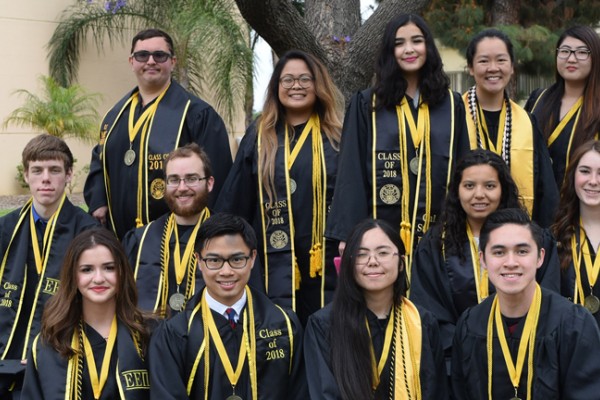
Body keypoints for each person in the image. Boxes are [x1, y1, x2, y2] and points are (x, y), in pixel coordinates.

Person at [325, 14, 469, 275]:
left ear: (429, 47)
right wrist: (349, 234)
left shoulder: (451, 104)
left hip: (440, 231)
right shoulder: (367, 104)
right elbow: (351, 171)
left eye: (417, 41)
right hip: (380, 234)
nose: (409, 49)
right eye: (399, 43)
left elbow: (464, 168)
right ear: (390, 51)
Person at [215, 49, 343, 324]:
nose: (296, 86)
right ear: (276, 87)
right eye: (288, 80)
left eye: (305, 79)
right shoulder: (259, 136)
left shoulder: (336, 137)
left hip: (323, 262)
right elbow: (236, 200)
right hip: (269, 264)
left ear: (318, 85)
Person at [410, 149, 560, 375]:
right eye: (469, 186)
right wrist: (469, 345)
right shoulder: (434, 245)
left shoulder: (533, 240)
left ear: (503, 190)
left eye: (490, 186)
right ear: (457, 191)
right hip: (459, 364)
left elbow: (548, 300)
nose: (479, 194)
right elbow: (430, 313)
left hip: (527, 357)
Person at [84, 28, 232, 239]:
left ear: (172, 62)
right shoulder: (114, 117)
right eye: (142, 55)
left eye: (159, 55)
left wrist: (212, 234)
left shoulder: (196, 114)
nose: (150, 61)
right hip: (120, 238)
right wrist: (98, 201)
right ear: (131, 62)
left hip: (180, 241)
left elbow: (219, 179)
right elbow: (100, 160)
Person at [148, 213, 307, 399]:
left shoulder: (284, 327)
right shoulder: (175, 334)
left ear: (253, 258)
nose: (226, 271)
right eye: (214, 261)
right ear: (199, 261)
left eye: (237, 259)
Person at [451, 208, 600, 399]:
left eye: (522, 251)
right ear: (483, 260)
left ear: (540, 257)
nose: (511, 262)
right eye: (499, 252)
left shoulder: (574, 324)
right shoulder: (469, 325)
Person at [304, 219, 447, 400]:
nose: (372, 261)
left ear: (401, 263)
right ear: (349, 263)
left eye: (383, 253)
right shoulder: (324, 325)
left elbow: (437, 391)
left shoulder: (423, 322)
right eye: (362, 255)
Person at [0, 134, 98, 397]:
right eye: (37, 170)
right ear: (26, 175)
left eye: (54, 170)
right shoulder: (5, 229)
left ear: (68, 175)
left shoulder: (88, 232)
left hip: (60, 355)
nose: (45, 178)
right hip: (4, 353)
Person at [22, 228, 150, 399]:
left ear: (122, 272)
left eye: (109, 268)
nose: (98, 278)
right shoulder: (50, 343)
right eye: (87, 270)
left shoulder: (148, 335)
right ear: (73, 276)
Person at [463, 28, 558, 228]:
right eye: (483, 61)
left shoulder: (527, 122)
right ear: (470, 67)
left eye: (501, 60)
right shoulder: (454, 116)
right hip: (461, 236)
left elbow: (545, 192)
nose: (493, 68)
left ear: (512, 67)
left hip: (515, 240)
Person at [123, 143, 222, 318]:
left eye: (191, 178)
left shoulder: (229, 238)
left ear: (209, 183)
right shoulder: (140, 239)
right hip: (151, 341)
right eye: (174, 180)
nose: (182, 188)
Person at [525, 25, 600, 186]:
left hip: (583, 204)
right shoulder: (538, 99)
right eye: (565, 51)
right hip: (536, 204)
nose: (571, 59)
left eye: (581, 52)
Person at [553, 140, 600, 326]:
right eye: (585, 171)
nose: (593, 181)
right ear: (573, 175)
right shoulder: (554, 237)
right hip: (571, 346)